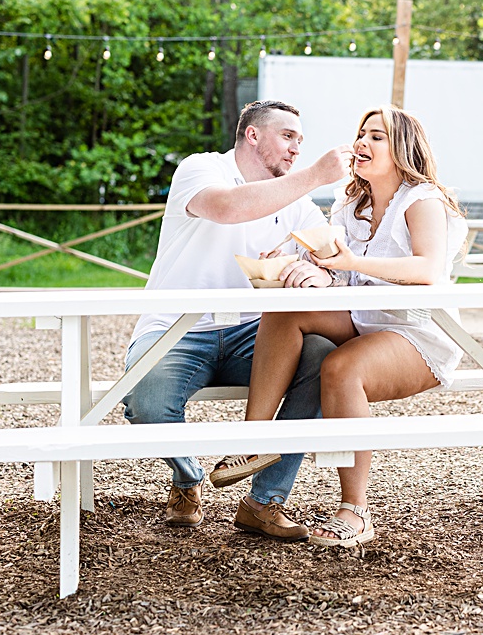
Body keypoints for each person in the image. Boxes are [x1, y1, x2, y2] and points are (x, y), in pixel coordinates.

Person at [122, 99, 352, 540]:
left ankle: (264, 501)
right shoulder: (201, 168)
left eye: (301, 142)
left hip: (256, 332)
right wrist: (317, 176)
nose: (296, 150)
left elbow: (329, 260)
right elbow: (228, 208)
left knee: (325, 360)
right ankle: (188, 478)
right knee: (146, 403)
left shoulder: (297, 201)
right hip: (177, 326)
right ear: (253, 135)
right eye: (288, 137)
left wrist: (313, 272)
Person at [242, 106, 467, 547]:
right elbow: (336, 271)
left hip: (418, 332)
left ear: (403, 149)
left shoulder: (423, 200)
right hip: (365, 318)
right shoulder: (351, 204)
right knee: (285, 308)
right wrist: (298, 265)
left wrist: (347, 262)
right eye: (361, 134)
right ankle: (251, 441)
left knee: (341, 369)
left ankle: (356, 511)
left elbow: (427, 269)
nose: (362, 143)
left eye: (377, 137)